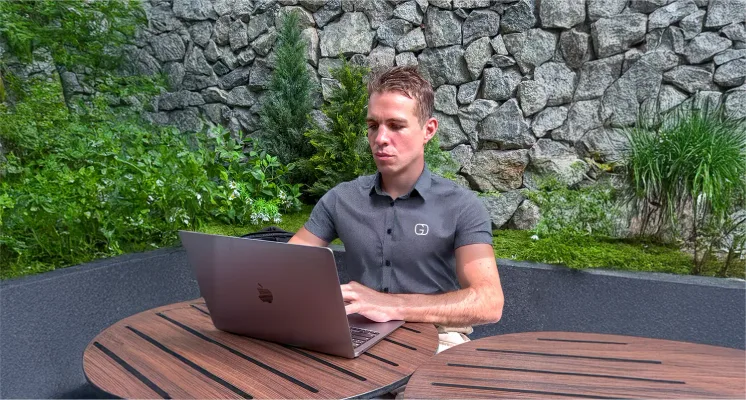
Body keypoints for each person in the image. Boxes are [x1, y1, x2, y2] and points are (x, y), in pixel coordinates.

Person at [289, 66, 504, 353]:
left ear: (428, 130)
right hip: (357, 331)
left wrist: (391, 305)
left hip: (438, 337)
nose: (380, 138)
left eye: (396, 126)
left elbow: (489, 302)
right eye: (373, 125)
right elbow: (286, 266)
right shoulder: (341, 199)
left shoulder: (462, 206)